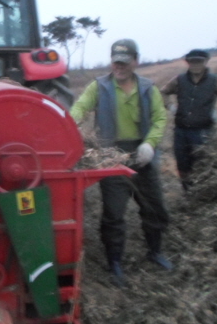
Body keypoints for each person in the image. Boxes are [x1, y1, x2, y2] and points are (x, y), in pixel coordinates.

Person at [70, 39, 172, 287]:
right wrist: (68, 127)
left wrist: (149, 144)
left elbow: (160, 118)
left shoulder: (148, 88)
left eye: (125, 62)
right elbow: (79, 109)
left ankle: (155, 251)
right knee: (114, 213)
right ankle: (114, 261)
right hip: (112, 156)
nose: (119, 67)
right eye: (116, 62)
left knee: (153, 206)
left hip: (142, 153)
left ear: (135, 61)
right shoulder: (100, 87)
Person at [161, 49, 217, 191]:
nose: (195, 64)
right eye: (192, 61)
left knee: (202, 163)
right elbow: (163, 92)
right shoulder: (179, 80)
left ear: (206, 62)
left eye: (199, 61)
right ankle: (187, 193)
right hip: (181, 130)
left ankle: (201, 193)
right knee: (183, 164)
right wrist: (171, 106)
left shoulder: (215, 80)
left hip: (203, 131)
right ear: (188, 63)